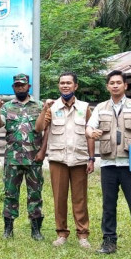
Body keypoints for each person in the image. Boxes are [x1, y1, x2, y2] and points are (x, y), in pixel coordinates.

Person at [86, 70, 131, 254]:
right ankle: (109, 242)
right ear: (107, 86)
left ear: (125, 85)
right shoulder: (101, 108)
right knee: (108, 205)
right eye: (112, 83)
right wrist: (91, 132)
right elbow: (89, 128)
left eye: (118, 82)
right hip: (108, 164)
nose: (115, 85)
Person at [36, 72, 94, 248]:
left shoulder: (85, 108)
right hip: (58, 159)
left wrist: (91, 158)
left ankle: (82, 234)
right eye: (62, 83)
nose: (65, 86)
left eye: (69, 83)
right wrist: (44, 109)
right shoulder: (52, 108)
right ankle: (61, 233)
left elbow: (90, 134)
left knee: (80, 198)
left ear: (75, 86)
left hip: (79, 159)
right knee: (59, 198)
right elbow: (39, 128)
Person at [0, 73, 44, 240]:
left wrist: (43, 151)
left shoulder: (39, 106)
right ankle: (8, 229)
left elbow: (44, 128)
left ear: (28, 87)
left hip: (33, 158)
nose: (20, 87)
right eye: (17, 85)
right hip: (13, 158)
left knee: (35, 193)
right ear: (13, 87)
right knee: (10, 193)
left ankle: (36, 230)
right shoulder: (7, 107)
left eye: (23, 85)